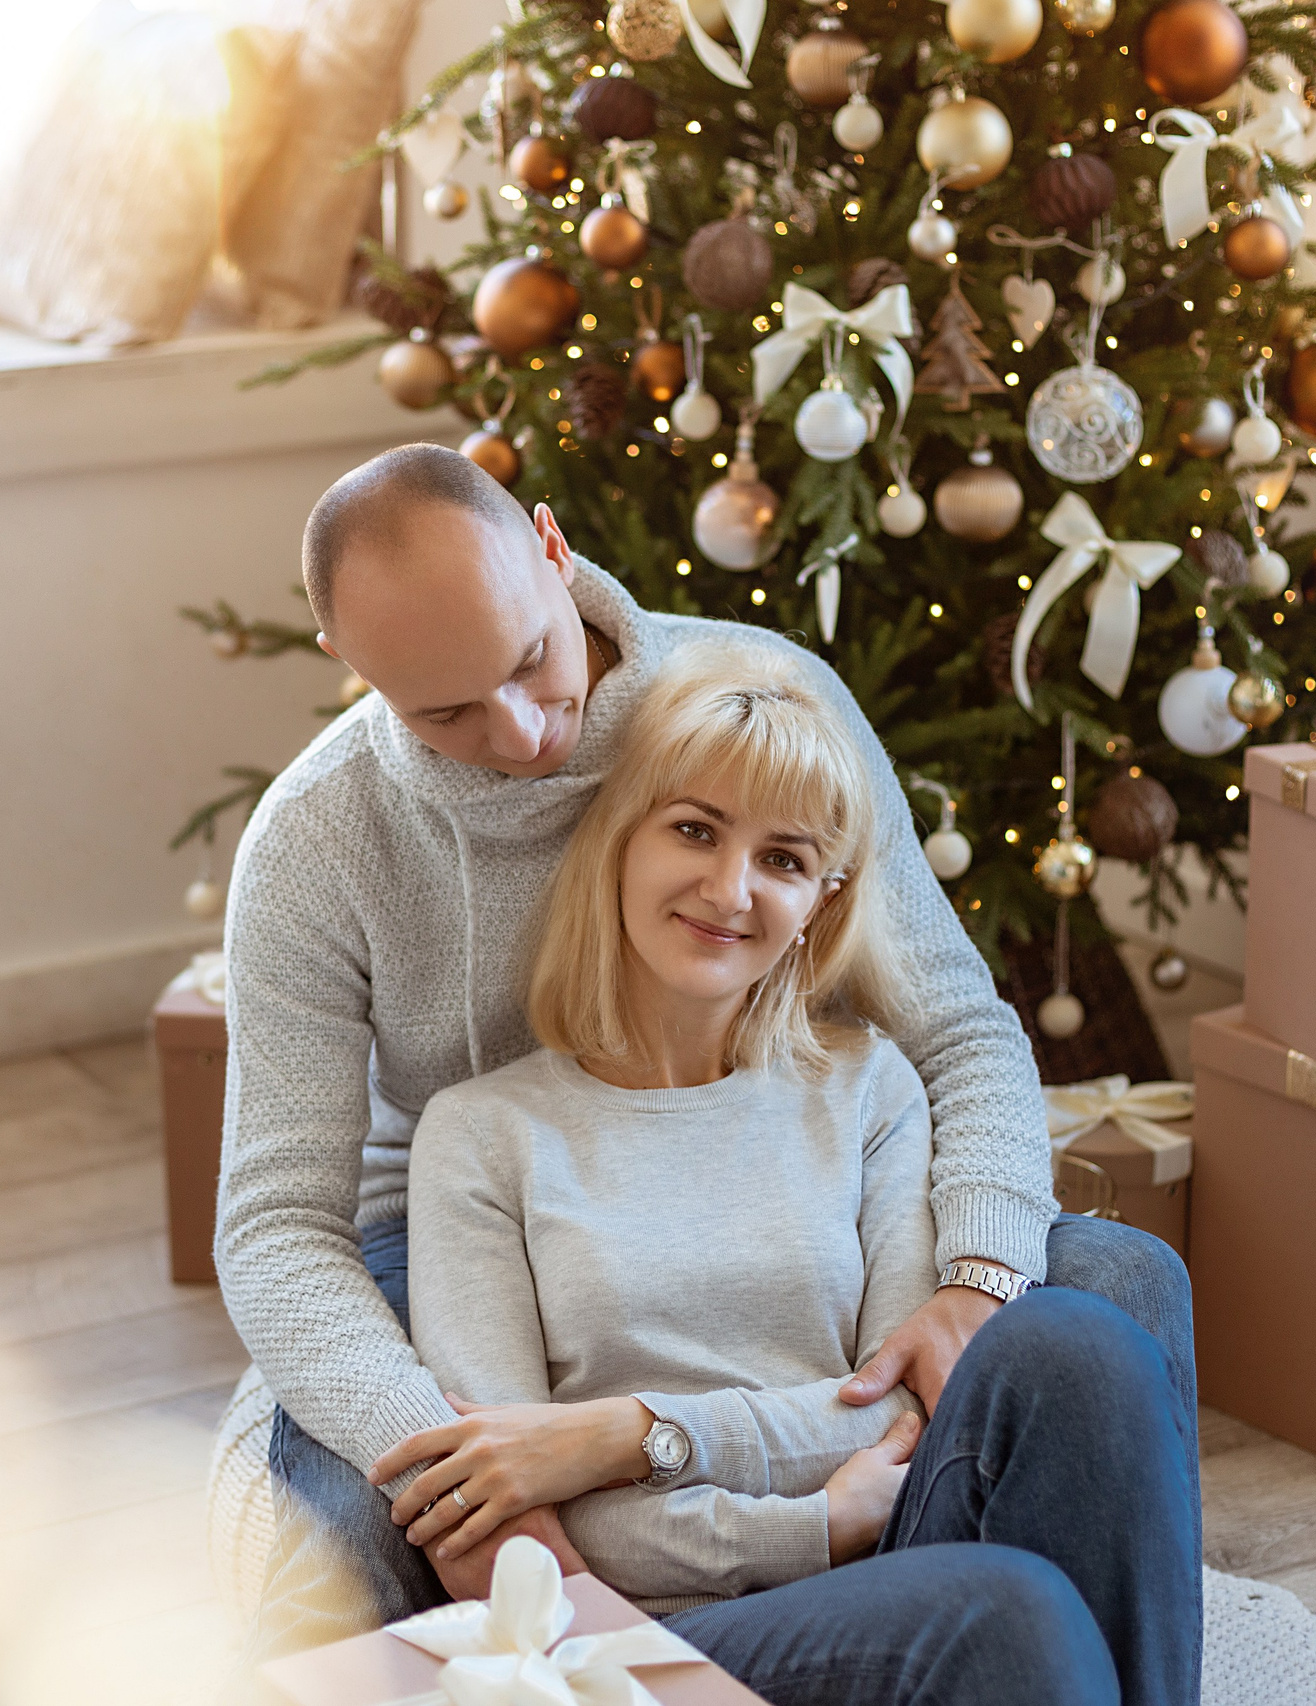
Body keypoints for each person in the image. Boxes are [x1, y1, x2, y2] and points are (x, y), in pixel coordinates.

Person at [216, 444, 1195, 1658]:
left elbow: (956, 1022)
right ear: (351, 667)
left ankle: (974, 1650)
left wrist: (973, 1278)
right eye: (446, 709)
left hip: (765, 1129)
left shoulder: (755, 702)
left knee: (1117, 1297)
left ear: (552, 547)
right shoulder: (318, 839)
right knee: (382, 1504)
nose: (520, 733)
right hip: (458, 1216)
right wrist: (474, 1476)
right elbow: (274, 1222)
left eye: (529, 660)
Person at [387, 643, 1199, 1705]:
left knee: (1080, 1338)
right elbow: (518, 1500)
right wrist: (815, 1523)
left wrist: (630, 1433)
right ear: (618, 841)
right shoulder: (481, 1133)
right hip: (660, 1632)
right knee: (1009, 1607)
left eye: (782, 858)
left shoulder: (867, 1087)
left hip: (899, 1540)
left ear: (822, 898)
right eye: (693, 828)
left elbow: (896, 1407)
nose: (730, 889)